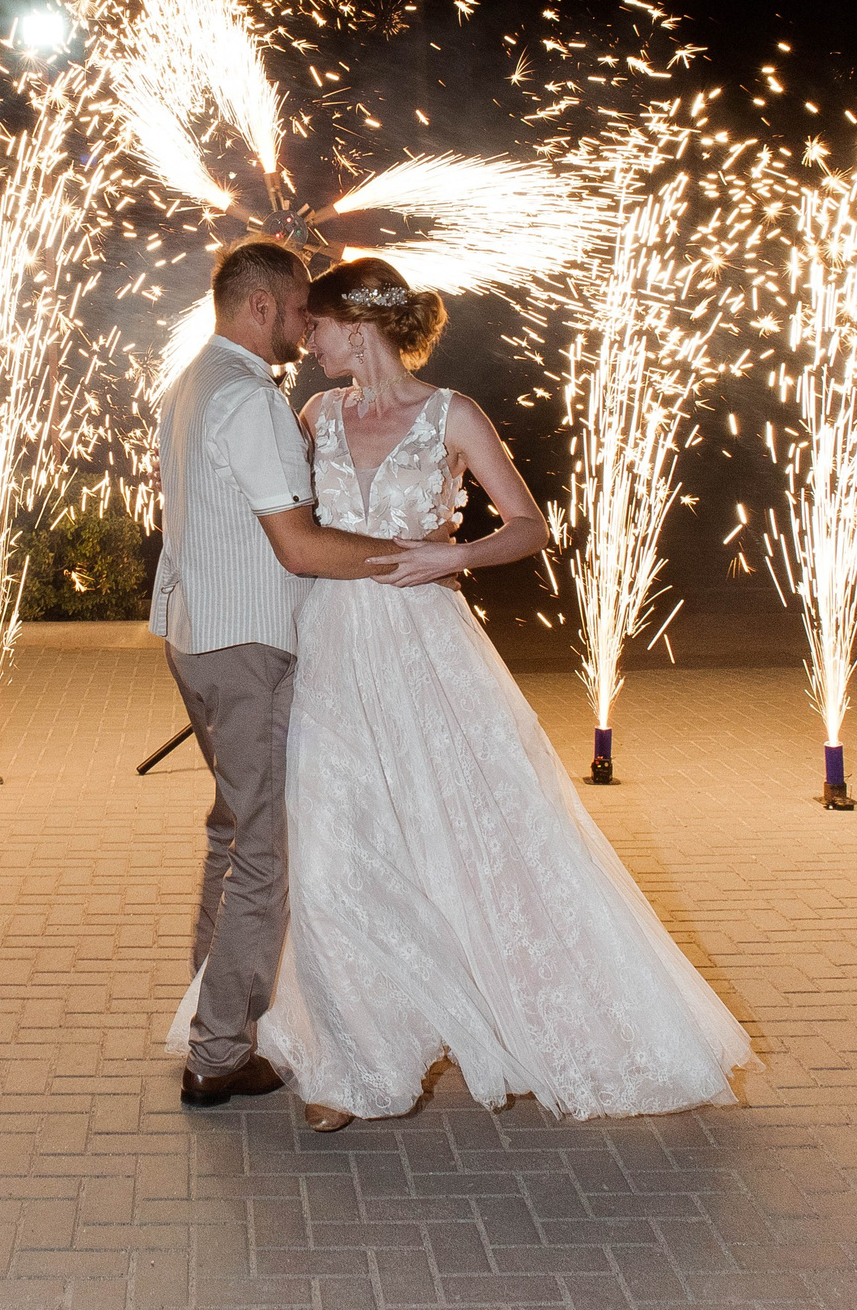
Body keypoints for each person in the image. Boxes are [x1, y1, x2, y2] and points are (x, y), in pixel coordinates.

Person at [198, 254, 760, 1129]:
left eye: (321, 325)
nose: (307, 339)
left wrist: (454, 554)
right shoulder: (315, 414)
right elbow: (292, 528)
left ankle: (534, 1015)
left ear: (360, 325)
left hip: (428, 651)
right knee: (335, 855)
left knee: (468, 838)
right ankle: (353, 1063)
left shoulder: (453, 413)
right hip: (332, 653)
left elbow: (530, 522)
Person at [152, 239, 400, 1108]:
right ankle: (218, 1053)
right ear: (261, 306)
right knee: (261, 851)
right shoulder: (249, 400)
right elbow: (295, 543)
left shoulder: (188, 385)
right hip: (245, 647)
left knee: (230, 833)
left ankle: (203, 1014)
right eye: (299, 310)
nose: (307, 325)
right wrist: (408, 555)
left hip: (196, 636)